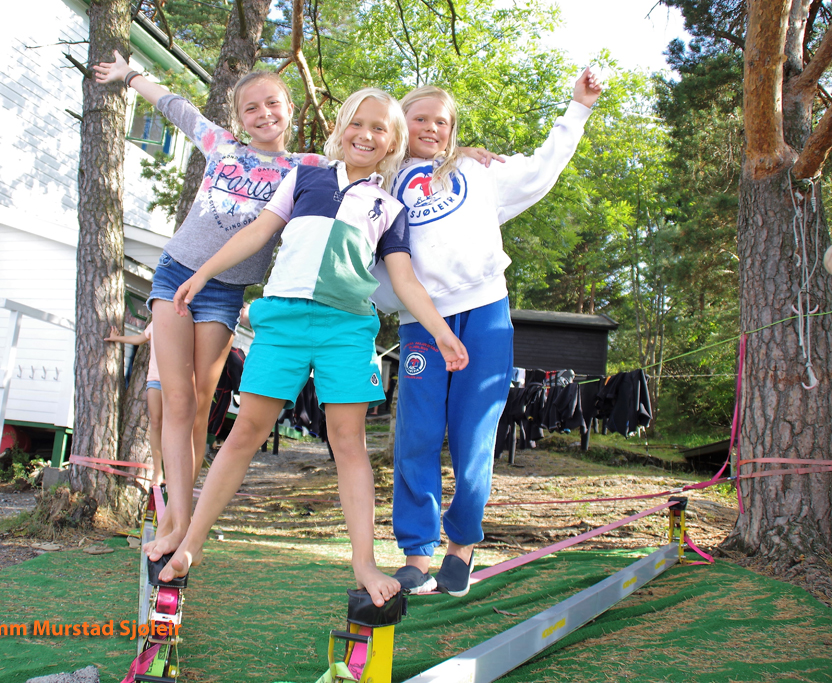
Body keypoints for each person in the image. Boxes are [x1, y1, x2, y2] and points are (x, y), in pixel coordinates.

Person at [155, 88, 470, 607]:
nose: (365, 135)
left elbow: (405, 280)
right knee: (245, 432)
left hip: (346, 330)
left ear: (393, 142)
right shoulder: (304, 177)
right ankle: (190, 542)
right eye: (357, 124)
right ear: (341, 129)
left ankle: (364, 561)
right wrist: (202, 273)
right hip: (282, 323)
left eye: (379, 129)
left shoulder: (389, 208)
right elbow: (258, 232)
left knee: (348, 443)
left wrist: (441, 330)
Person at [370, 68, 604, 597]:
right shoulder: (382, 180)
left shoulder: (477, 171)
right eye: (420, 118)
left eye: (442, 121)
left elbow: (542, 168)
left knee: (474, 433)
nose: (431, 128)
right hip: (421, 322)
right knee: (418, 435)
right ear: (401, 124)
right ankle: (416, 554)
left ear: (453, 129)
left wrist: (579, 107)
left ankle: (461, 548)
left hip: (485, 312)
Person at [93, 51, 326, 560]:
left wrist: (448, 152)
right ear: (238, 118)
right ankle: (175, 518)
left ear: (290, 108)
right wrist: (129, 75)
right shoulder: (222, 146)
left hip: (223, 292)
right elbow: (175, 107)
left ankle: (183, 516)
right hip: (175, 272)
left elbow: (368, 155)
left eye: (272, 103)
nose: (263, 114)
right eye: (251, 108)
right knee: (175, 400)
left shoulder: (307, 168)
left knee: (200, 403)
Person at [104, 321, 165, 487]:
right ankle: (158, 471)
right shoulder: (155, 322)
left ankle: (171, 469)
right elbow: (139, 338)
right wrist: (117, 338)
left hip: (174, 380)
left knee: (172, 425)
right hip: (155, 379)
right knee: (155, 422)